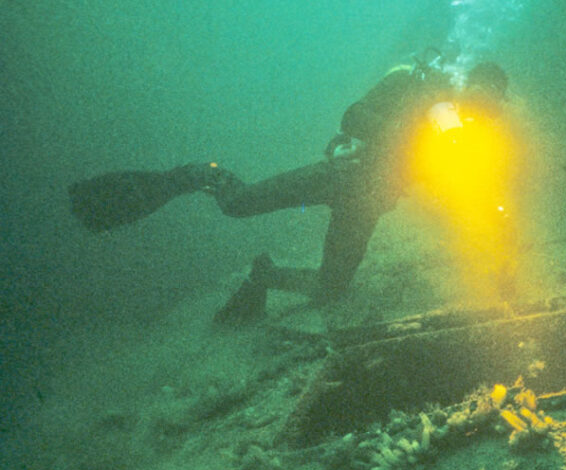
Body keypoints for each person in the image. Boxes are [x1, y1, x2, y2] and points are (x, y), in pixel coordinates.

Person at [68, 55, 512, 324]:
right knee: (238, 205)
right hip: (335, 178)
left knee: (330, 289)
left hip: (367, 207)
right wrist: (405, 132)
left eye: (490, 106)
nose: (481, 109)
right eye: (480, 96)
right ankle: (197, 174)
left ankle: (263, 275)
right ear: (467, 84)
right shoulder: (413, 88)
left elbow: (470, 193)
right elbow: (352, 117)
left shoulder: (468, 136)